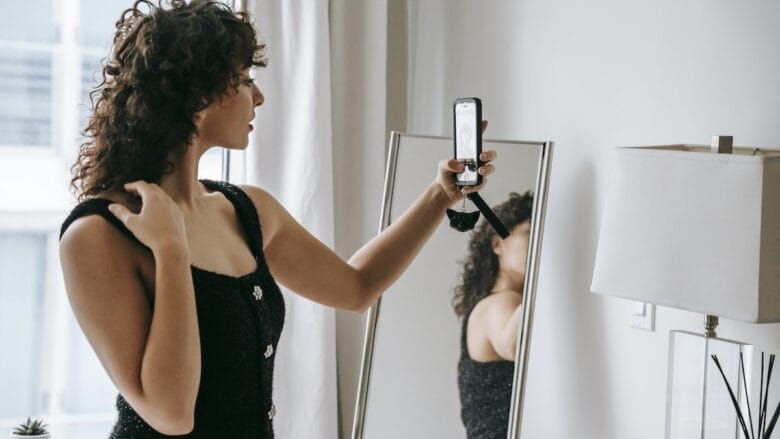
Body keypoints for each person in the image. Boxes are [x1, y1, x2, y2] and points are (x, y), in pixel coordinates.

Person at [57, 1, 496, 437]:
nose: (259, 97)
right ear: (199, 96)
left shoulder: (248, 209)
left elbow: (356, 287)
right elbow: (171, 413)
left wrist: (440, 194)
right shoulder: (98, 233)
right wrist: (171, 251)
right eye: (246, 80)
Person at [453, 191, 534, 439]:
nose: (540, 243)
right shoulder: (501, 302)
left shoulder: (496, 302)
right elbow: (514, 345)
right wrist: (545, 270)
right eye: (530, 234)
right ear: (497, 244)